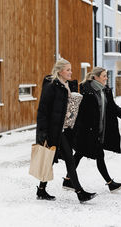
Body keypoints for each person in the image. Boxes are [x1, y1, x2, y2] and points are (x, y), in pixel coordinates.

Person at [63, 67, 121, 193]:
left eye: (106, 75)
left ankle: (68, 180)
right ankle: (110, 183)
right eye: (104, 76)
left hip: (100, 129)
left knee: (79, 154)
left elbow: (113, 107)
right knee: (99, 155)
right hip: (87, 131)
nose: (106, 78)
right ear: (95, 77)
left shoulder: (105, 91)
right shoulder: (85, 90)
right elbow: (81, 113)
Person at [36, 58, 96, 202]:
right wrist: (43, 133)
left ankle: (41, 190)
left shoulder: (67, 85)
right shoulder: (51, 86)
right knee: (69, 159)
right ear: (60, 71)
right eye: (68, 69)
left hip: (66, 129)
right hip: (54, 130)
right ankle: (80, 193)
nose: (71, 72)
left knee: (50, 160)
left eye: (70, 69)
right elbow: (43, 111)